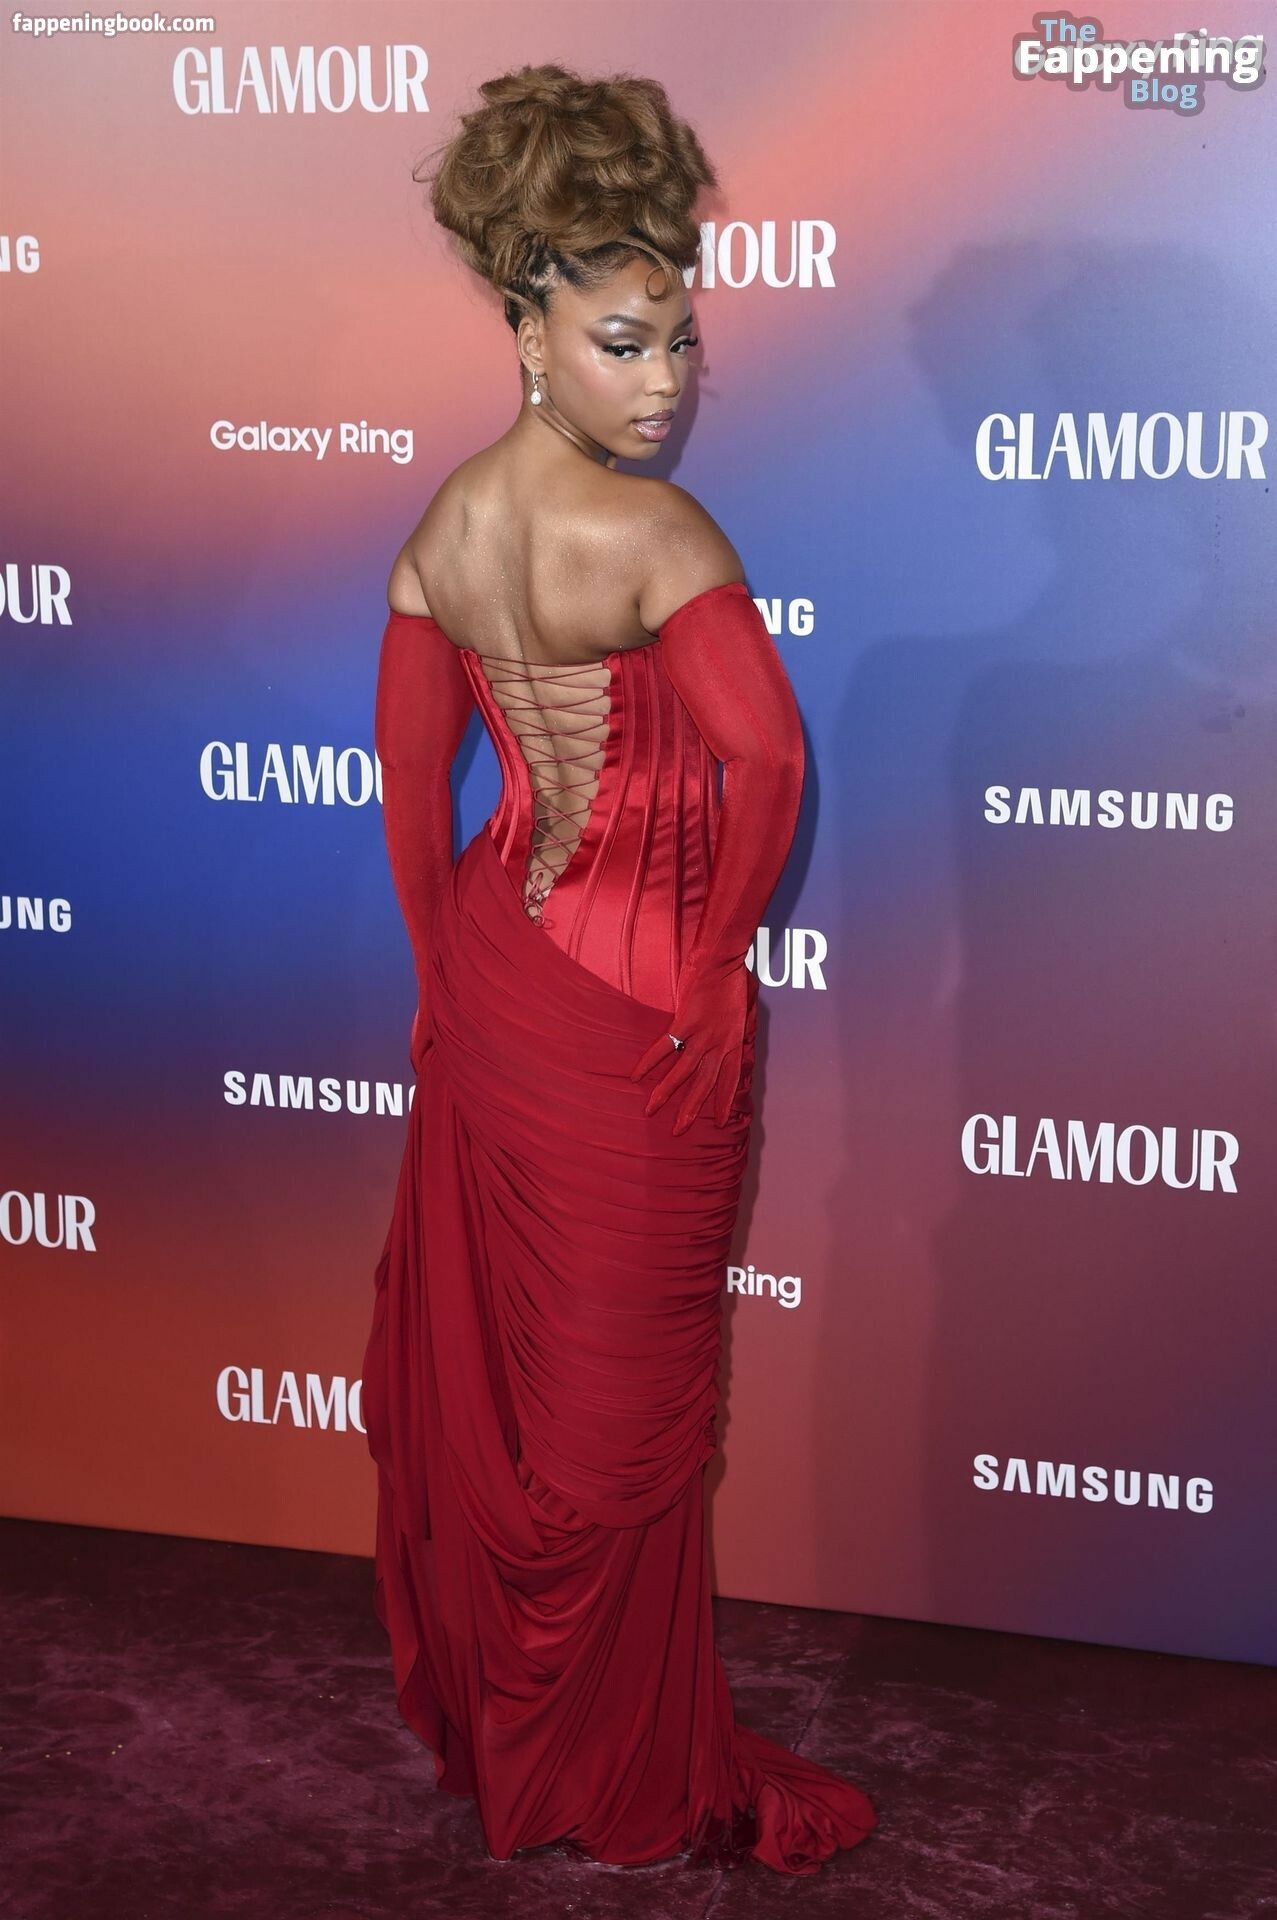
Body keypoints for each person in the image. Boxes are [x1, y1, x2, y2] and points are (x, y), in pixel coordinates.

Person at [361, 62, 877, 1877]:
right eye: (622, 344)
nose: (663, 383)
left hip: (499, 981)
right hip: (641, 1016)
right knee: (620, 1408)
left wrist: (440, 980)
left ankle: (534, 1738)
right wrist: (720, 962)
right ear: (528, 331)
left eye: (679, 344)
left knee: (530, 1406)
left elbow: (410, 781)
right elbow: (772, 764)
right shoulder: (658, 536)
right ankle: (613, 1760)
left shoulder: (440, 530)